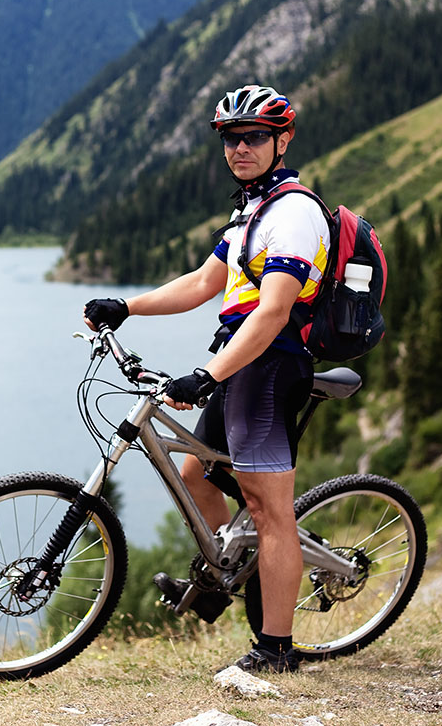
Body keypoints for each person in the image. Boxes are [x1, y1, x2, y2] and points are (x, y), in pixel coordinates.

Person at [83, 84, 330, 673]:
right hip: (239, 365)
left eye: (255, 137)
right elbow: (201, 283)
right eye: (231, 139)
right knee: (195, 473)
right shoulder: (251, 211)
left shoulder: (293, 213)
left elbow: (272, 312)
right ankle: (231, 572)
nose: (241, 148)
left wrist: (205, 375)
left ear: (283, 141)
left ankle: (276, 648)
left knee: (269, 509)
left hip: (270, 366)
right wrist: (126, 306)